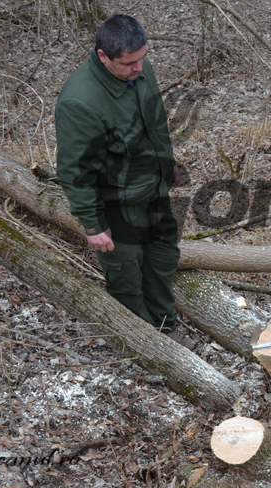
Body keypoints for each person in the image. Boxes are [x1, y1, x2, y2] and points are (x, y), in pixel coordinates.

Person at [55, 14, 186, 342]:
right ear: (103, 56)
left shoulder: (141, 69)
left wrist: (166, 163)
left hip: (153, 192)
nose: (140, 68)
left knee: (160, 264)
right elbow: (75, 171)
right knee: (127, 280)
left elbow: (155, 124)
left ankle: (166, 330)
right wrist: (93, 224)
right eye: (130, 63)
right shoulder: (79, 101)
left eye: (143, 58)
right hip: (116, 203)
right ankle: (144, 347)